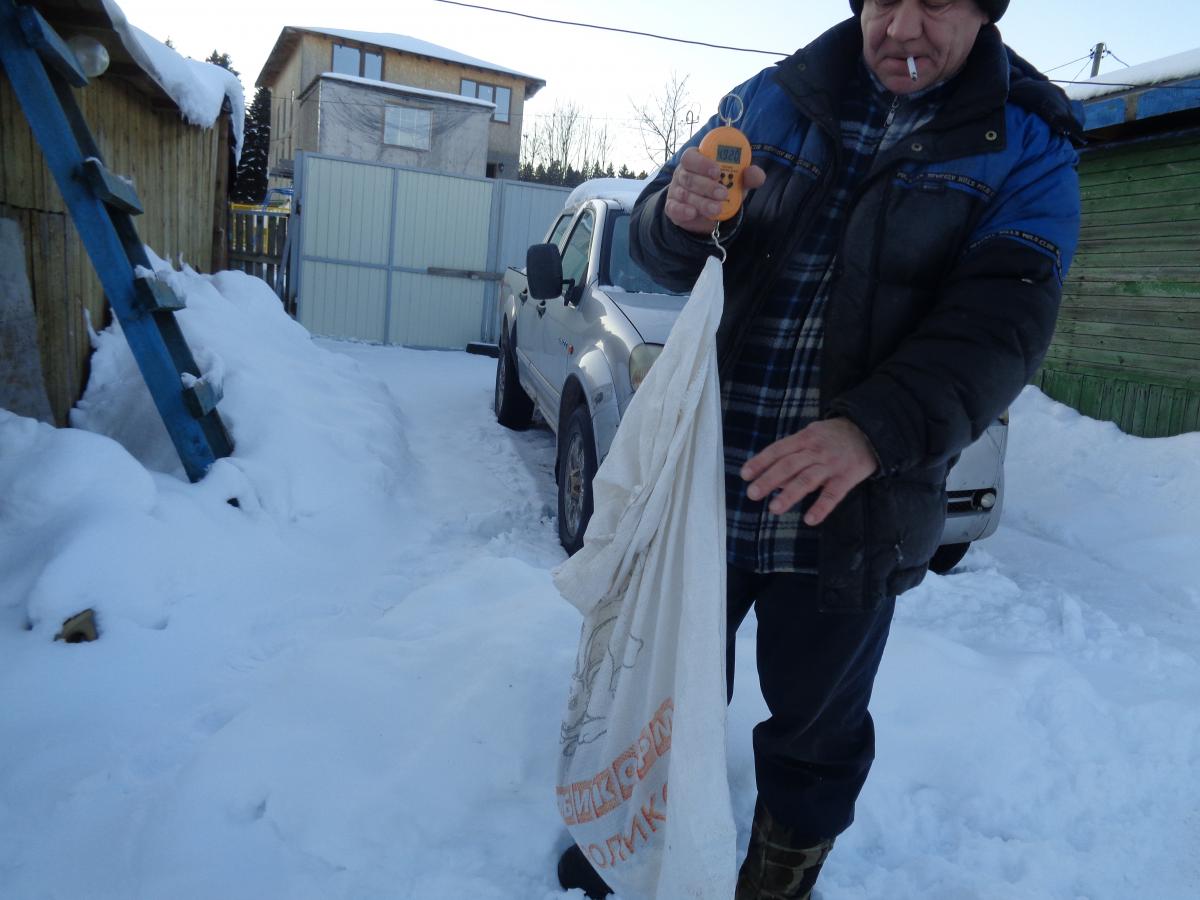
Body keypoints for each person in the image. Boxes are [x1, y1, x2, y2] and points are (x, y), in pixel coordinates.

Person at [556, 1, 1082, 897]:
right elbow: (662, 240)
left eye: (936, 2)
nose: (903, 27)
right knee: (660, 675)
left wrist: (875, 429)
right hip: (705, 473)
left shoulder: (1027, 143)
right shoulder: (775, 97)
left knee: (816, 728)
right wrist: (675, 218)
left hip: (855, 498)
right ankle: (628, 844)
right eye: (884, 0)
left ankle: (779, 878)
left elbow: (1003, 324)